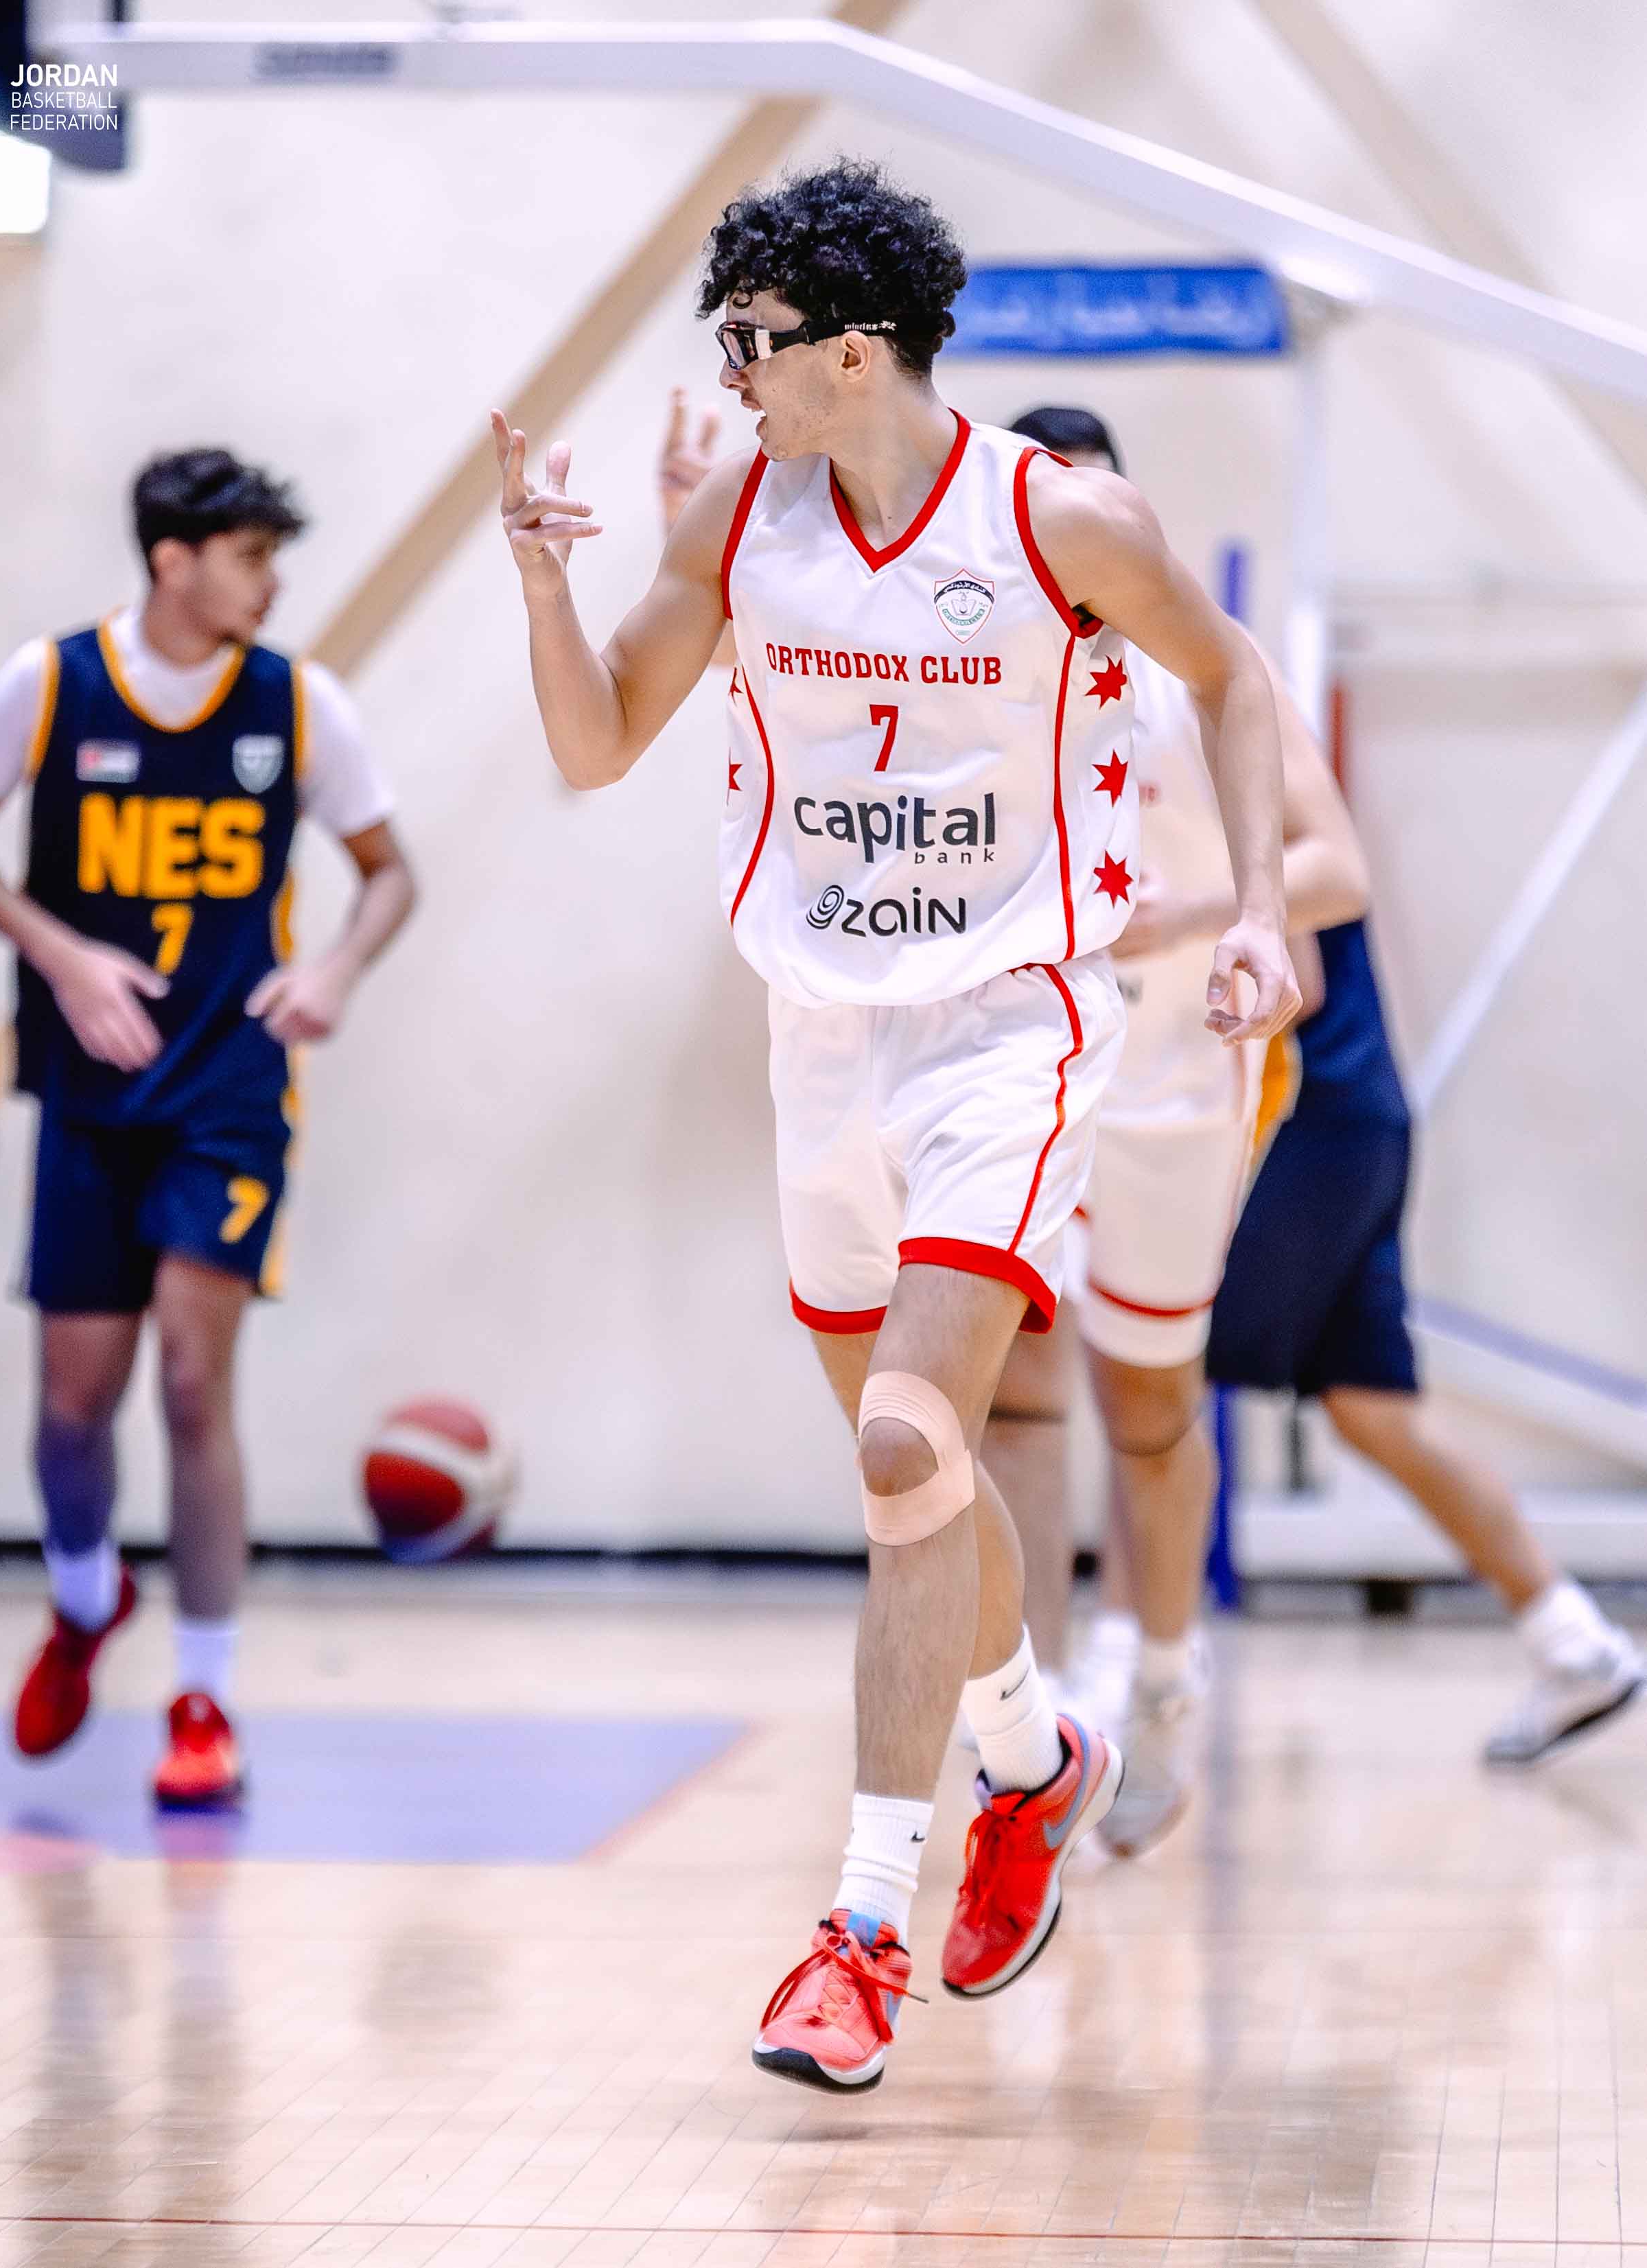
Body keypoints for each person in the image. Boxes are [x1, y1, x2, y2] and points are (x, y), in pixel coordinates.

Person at [498, 159, 1298, 2094]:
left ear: (850, 351)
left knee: (903, 1440)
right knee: (915, 1485)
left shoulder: (1059, 518)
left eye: (750, 340)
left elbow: (1233, 679)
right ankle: (1033, 1755)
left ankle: (858, 1931)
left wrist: (1260, 908)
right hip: (822, 1038)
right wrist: (540, 582)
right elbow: (596, 741)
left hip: (1008, 1026)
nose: (731, 371)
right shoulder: (737, 512)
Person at [0, 449, 416, 1810]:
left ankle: (205, 1698)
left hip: (229, 1093)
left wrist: (335, 968)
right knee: (71, 1409)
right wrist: (61, 953)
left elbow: (388, 874)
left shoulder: (298, 703)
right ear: (172, 559)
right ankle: (86, 1597)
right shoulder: (51, 682)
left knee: (195, 1386)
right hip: (91, 1090)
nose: (272, 583)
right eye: (252, 557)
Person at [961, 406, 1368, 1858]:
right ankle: (1030, 1721)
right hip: (1020, 1064)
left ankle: (1163, 1671)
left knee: (1145, 1401)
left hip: (1174, 1077)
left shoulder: (1202, 663)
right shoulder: (974, 668)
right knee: (1013, 1389)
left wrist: (1191, 911)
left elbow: (1333, 864)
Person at [1206, 919, 1643, 1767]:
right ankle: (1574, 1641)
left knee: (1149, 1368)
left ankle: (1125, 1676)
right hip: (1358, 1113)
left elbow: (1296, 975)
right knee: (1372, 1413)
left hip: (1312, 1117)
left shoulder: (1262, 835)